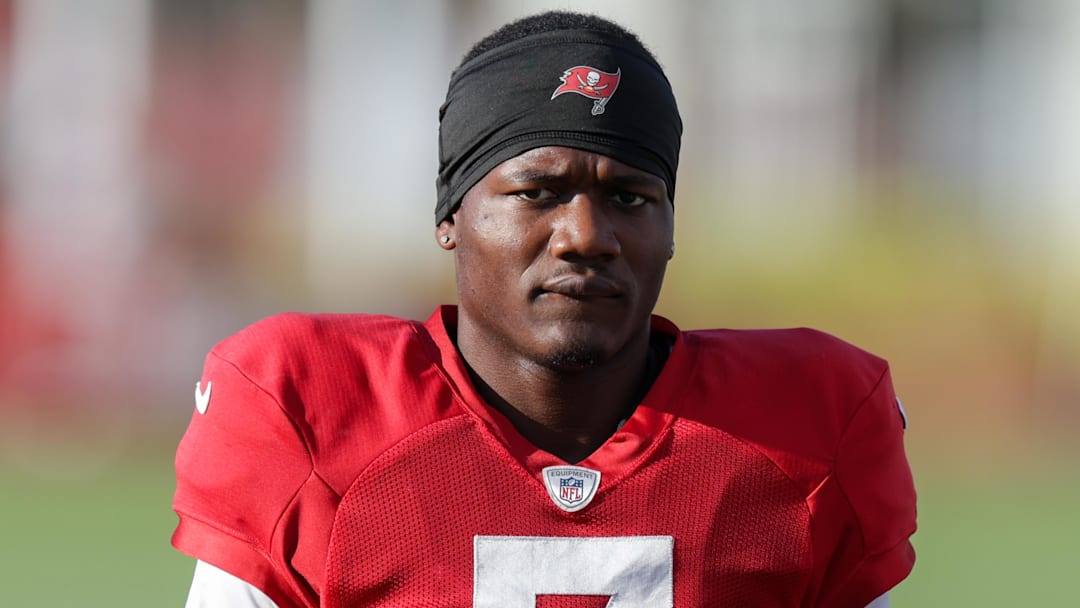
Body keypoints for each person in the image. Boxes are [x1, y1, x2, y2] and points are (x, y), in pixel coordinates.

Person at [172, 10, 916, 608]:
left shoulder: (805, 431)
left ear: (670, 228)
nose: (587, 237)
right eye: (538, 191)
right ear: (451, 216)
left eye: (630, 197)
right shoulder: (311, 408)